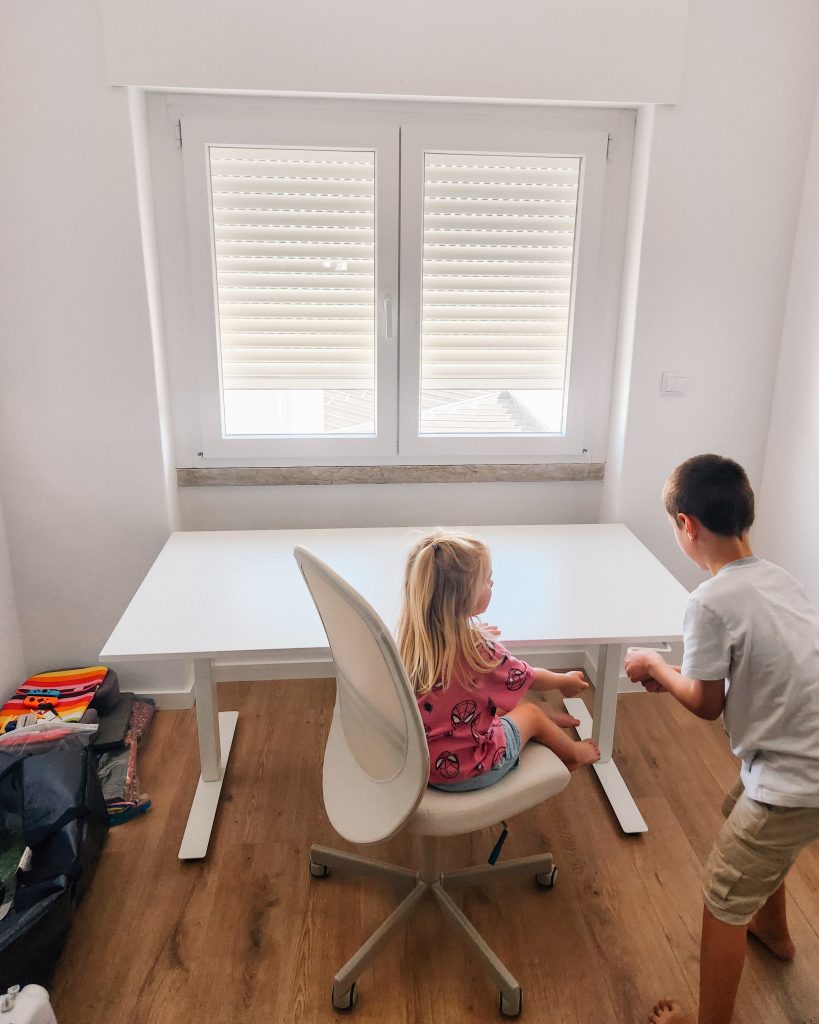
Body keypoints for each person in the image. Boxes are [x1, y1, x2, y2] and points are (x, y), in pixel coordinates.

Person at [624, 454, 819, 1024]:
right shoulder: (779, 578)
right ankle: (776, 932)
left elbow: (707, 706)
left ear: (687, 525)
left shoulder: (707, 601)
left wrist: (656, 668)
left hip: (794, 779)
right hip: (807, 759)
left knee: (721, 901)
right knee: (738, 809)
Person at [396, 529, 600, 791]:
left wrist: (471, 636)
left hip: (424, 763)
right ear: (465, 597)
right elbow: (528, 677)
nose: (491, 584)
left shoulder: (413, 641)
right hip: (471, 770)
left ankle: (545, 721)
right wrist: (564, 681)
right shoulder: (481, 653)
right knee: (532, 712)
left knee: (488, 699)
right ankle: (573, 753)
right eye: (487, 580)